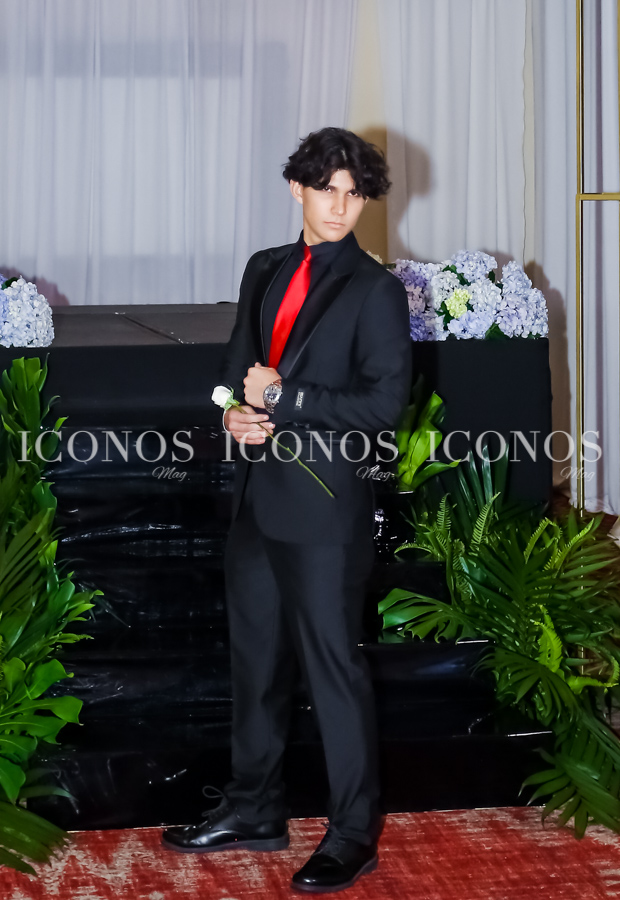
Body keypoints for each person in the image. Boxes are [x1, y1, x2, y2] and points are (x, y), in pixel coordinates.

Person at [162, 127, 411, 893]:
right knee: (255, 667)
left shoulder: (375, 290)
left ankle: (353, 835)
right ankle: (255, 808)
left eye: (354, 194)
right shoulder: (264, 268)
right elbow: (235, 368)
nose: (340, 206)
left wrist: (286, 398)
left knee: (334, 671)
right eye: (327, 189)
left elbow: (383, 407)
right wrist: (232, 412)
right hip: (256, 503)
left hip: (325, 513)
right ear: (296, 189)